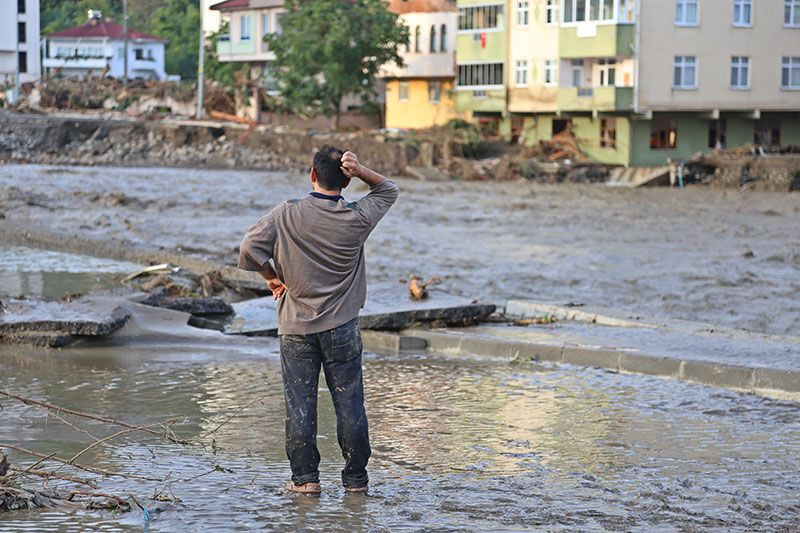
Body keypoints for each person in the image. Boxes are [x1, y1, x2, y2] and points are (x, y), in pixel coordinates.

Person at [237, 146, 399, 495]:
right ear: (346, 179)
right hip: (342, 327)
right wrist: (362, 170)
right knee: (350, 403)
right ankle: (355, 481)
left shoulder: (286, 213)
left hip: (295, 327)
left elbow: (249, 248)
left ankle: (305, 481)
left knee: (300, 404)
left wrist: (272, 277)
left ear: (312, 175)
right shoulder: (357, 217)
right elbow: (388, 189)